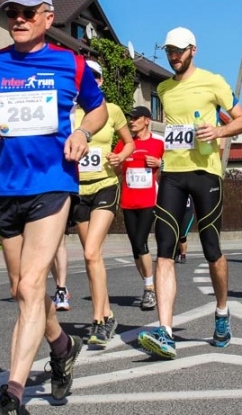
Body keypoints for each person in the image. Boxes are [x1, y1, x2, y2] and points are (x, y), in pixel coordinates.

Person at [0, 0, 108, 414]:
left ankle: (13, 394)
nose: (18, 20)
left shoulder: (70, 64)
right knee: (22, 291)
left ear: (48, 17)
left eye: (27, 13)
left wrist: (83, 131)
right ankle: (61, 344)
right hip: (6, 187)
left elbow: (98, 109)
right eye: (12, 13)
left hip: (53, 183)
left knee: (31, 283)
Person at [137, 27, 242, 360]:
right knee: (164, 251)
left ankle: (222, 312)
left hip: (206, 173)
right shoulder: (163, 88)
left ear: (193, 50)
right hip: (172, 174)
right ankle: (165, 332)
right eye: (169, 51)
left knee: (212, 249)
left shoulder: (213, 82)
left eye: (179, 50)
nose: (173, 56)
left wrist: (219, 130)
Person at [72, 59, 135, 346]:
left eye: (95, 77)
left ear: (101, 81)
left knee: (90, 252)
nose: (91, 80)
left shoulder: (112, 110)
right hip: (78, 189)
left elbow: (129, 142)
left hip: (106, 185)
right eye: (86, 76)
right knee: (92, 256)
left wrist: (120, 156)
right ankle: (107, 313)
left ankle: (98, 322)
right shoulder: (70, 113)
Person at [114, 105, 164, 311]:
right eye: (130, 118)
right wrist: (114, 161)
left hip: (149, 202)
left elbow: (171, 168)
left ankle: (149, 288)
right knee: (136, 246)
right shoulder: (124, 144)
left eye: (136, 118)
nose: (131, 122)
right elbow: (116, 170)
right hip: (128, 201)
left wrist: (159, 163)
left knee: (141, 241)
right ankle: (148, 284)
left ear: (147, 120)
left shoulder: (158, 142)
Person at [175, 196, 195, 263]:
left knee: (183, 235)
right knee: (175, 234)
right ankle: (177, 251)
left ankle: (183, 255)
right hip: (176, 212)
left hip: (187, 213)